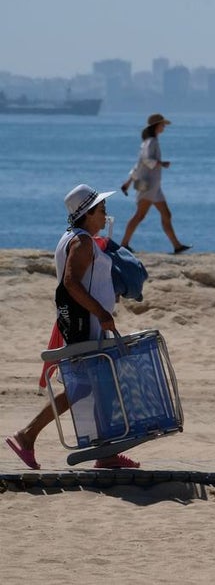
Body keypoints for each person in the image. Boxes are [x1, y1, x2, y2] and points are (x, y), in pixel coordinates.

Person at [5, 184, 140, 470]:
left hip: (81, 324)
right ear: (87, 214)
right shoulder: (82, 242)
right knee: (89, 386)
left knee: (89, 387)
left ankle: (104, 452)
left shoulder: (71, 238)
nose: (105, 216)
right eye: (101, 211)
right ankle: (27, 436)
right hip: (86, 325)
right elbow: (70, 283)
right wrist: (102, 312)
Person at [119, 113, 191, 255]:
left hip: (153, 186)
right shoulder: (151, 142)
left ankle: (177, 245)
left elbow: (138, 165)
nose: (164, 127)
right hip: (148, 185)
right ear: (156, 126)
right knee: (140, 215)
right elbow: (146, 160)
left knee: (166, 214)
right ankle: (124, 244)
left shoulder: (148, 142)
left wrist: (128, 182)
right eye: (162, 124)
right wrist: (161, 163)